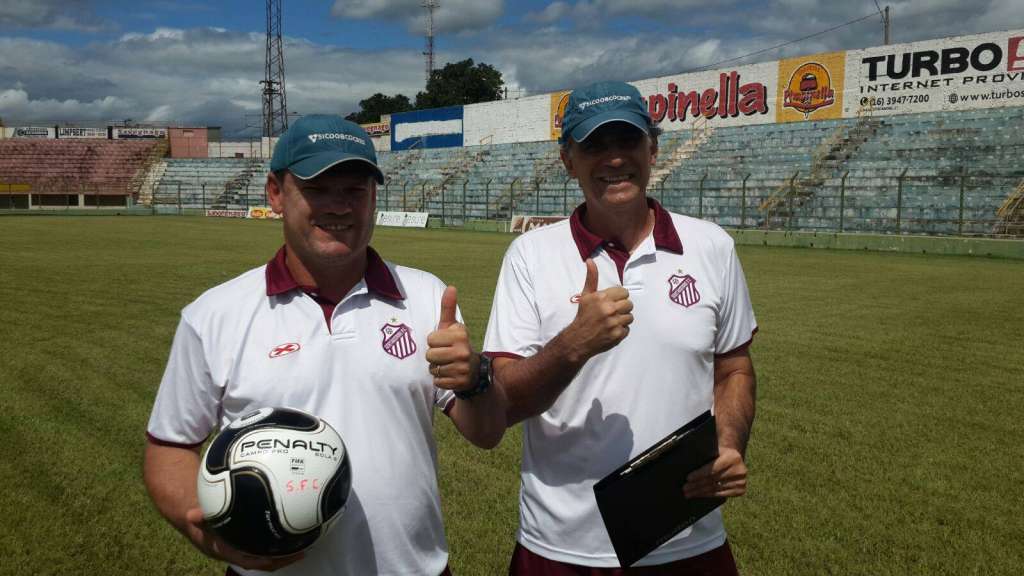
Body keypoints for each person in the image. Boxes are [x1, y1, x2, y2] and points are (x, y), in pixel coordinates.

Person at [143, 115, 506, 575]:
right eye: (317, 188)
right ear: (276, 192)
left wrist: (475, 380)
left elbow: (487, 432)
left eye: (354, 190)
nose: (339, 207)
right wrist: (206, 534)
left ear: (374, 196)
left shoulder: (428, 296)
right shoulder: (213, 315)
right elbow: (170, 446)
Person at [483, 81, 758, 574]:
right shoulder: (530, 255)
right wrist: (573, 345)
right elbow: (502, 402)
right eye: (594, 145)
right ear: (568, 160)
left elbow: (734, 370)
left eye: (627, 141)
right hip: (561, 545)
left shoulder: (711, 247)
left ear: (652, 148)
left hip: (688, 536)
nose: (613, 159)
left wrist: (730, 443)